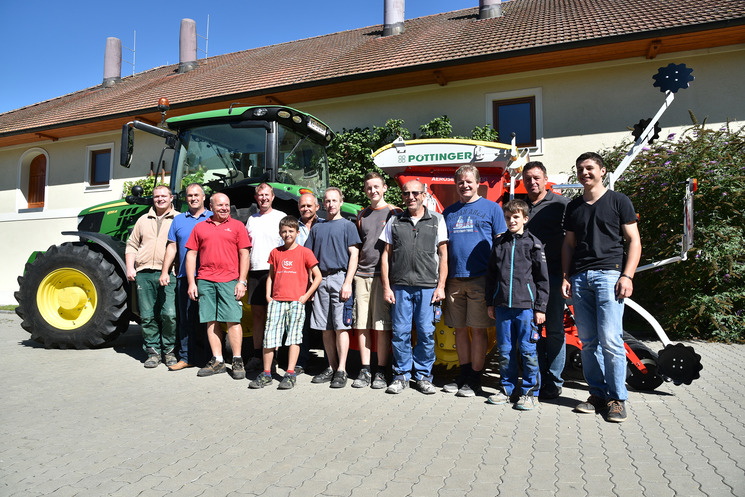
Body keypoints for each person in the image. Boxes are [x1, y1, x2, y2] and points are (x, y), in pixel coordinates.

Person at [562, 152, 641, 423]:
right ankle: (596, 394)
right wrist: (565, 276)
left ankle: (617, 399)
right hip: (580, 279)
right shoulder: (574, 206)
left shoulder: (619, 201)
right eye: (580, 168)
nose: (585, 173)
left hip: (609, 276)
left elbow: (634, 241)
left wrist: (627, 276)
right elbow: (569, 245)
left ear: (602, 171)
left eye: (590, 168)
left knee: (611, 340)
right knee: (588, 342)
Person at [442, 165, 507, 397]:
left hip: (481, 279)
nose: (465, 185)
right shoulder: (448, 213)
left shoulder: (492, 209)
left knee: (478, 331)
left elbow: (501, 245)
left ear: (478, 183)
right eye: (460, 182)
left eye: (469, 181)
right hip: (454, 280)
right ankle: (464, 374)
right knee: (460, 330)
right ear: (456, 185)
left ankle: (475, 379)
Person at [380, 180, 448, 395]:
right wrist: (386, 287)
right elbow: (385, 255)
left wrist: (441, 286)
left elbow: (444, 255)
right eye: (406, 193)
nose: (410, 197)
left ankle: (423, 376)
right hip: (400, 287)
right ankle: (400, 375)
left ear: (424, 194)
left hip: (428, 286)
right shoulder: (395, 221)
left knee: (427, 333)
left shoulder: (437, 220)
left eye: (415, 193)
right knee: (400, 333)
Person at [485, 199, 549, 411]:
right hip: (503, 306)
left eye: (516, 217)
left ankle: (530, 392)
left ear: (525, 219)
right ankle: (507, 388)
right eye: (508, 217)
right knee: (505, 350)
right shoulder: (500, 242)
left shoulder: (533, 243)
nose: (511, 221)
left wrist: (540, 308)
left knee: (528, 350)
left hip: (526, 308)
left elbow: (542, 279)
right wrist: (491, 303)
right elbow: (492, 276)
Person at [248, 216, 322, 390]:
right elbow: (271, 277)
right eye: (284, 231)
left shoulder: (305, 252)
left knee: (294, 338)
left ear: (297, 232)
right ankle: (267, 373)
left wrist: (305, 296)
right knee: (269, 338)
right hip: (277, 301)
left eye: (291, 231)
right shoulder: (275, 252)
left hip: (296, 301)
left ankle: (290, 373)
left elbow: (318, 276)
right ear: (280, 233)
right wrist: (268, 296)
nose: (287, 234)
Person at [185, 192, 251, 380]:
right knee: (210, 320)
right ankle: (218, 360)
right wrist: (192, 282)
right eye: (220, 205)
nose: (224, 208)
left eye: (227, 205)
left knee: (233, 320)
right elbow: (191, 255)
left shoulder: (237, 226)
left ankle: (237, 360)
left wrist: (242, 281)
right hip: (205, 280)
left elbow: (244, 254)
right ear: (211, 207)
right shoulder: (199, 228)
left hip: (230, 280)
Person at [304, 187, 361, 388]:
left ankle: (342, 370)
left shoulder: (348, 226)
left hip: (339, 279)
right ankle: (330, 365)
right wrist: (311, 283)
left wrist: (347, 282)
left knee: (340, 326)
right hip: (321, 281)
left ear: (341, 202)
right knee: (325, 328)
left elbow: (354, 255)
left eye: (334, 200)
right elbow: (309, 258)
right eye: (327, 201)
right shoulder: (317, 228)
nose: (330, 204)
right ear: (323, 204)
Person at [523, 161, 570, 399]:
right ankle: (535, 377)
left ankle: (554, 380)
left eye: (536, 178)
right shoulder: (520, 207)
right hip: (525, 279)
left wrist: (566, 275)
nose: (532, 182)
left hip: (552, 275)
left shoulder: (561, 205)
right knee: (531, 329)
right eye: (528, 178)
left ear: (545, 179)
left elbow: (572, 241)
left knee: (553, 330)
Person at [352, 172, 401, 389]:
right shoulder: (362, 215)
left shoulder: (395, 212)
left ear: (384, 188)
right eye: (369, 187)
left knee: (381, 326)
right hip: (362, 275)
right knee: (362, 324)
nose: (373, 191)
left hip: (384, 278)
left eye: (376, 187)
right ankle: (364, 370)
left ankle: (381, 370)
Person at [159, 183, 212, 370]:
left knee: (207, 320)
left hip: (208, 278)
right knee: (186, 319)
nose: (193, 198)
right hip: (184, 277)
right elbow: (172, 247)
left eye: (197, 195)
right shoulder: (179, 220)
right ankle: (186, 357)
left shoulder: (213, 218)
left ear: (204, 197)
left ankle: (209, 358)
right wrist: (165, 271)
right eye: (190, 195)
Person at [125, 184, 178, 368]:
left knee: (169, 314)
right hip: (144, 273)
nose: (160, 199)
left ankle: (170, 351)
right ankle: (153, 352)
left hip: (169, 273)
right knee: (147, 316)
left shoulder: (178, 219)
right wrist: (130, 268)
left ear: (171, 198)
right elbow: (132, 245)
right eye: (156, 197)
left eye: (164, 196)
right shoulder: (142, 220)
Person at [245, 183, 287, 371]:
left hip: (275, 273)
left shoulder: (281, 217)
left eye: (267, 195)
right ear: (256, 198)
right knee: (258, 316)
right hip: (255, 272)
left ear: (272, 197)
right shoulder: (251, 220)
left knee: (275, 317)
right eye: (260, 195)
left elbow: (287, 246)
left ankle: (275, 356)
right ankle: (256, 354)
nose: (263, 198)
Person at [295, 192, 323, 374]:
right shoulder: (293, 227)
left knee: (326, 323)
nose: (306, 209)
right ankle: (300, 361)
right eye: (303, 206)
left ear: (317, 207)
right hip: (300, 280)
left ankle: (330, 362)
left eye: (309, 206)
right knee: (300, 323)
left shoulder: (325, 225)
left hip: (323, 278)